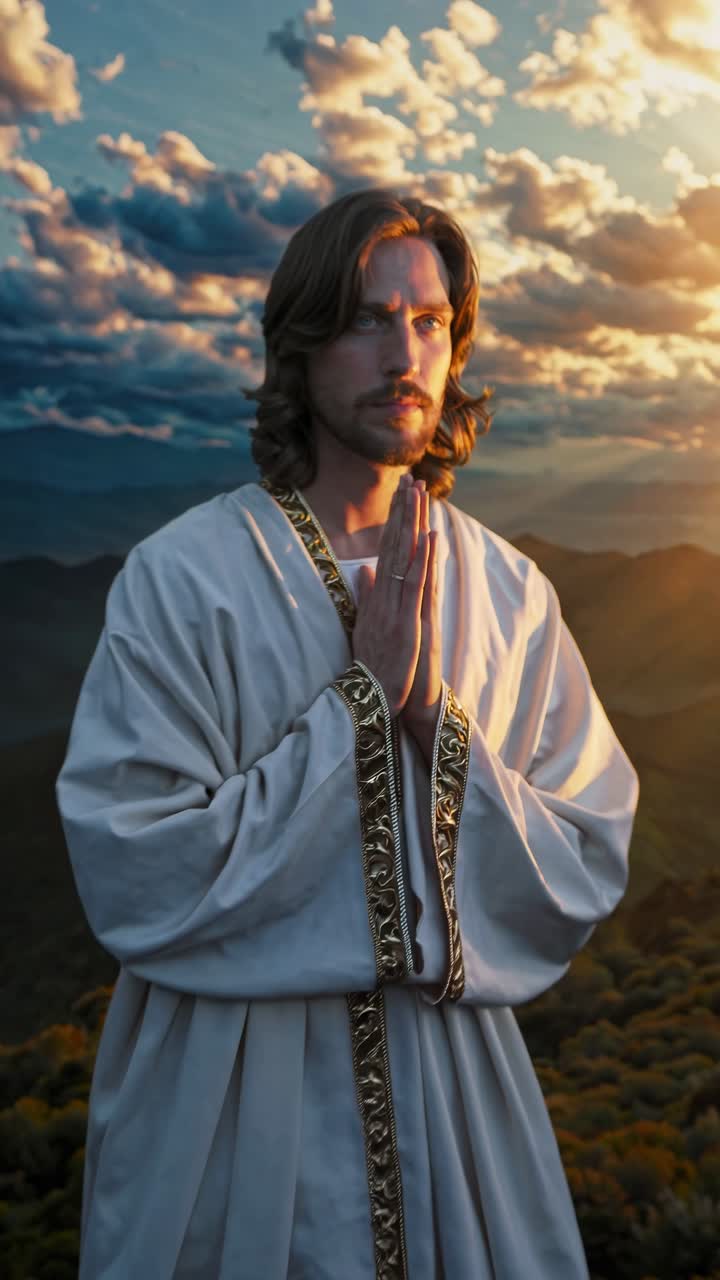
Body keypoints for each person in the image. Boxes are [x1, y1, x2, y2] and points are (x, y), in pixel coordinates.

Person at [56, 188, 639, 1280]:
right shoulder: (185, 580)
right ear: (304, 340)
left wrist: (431, 720)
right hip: (228, 1105)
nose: (405, 352)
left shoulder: (511, 594)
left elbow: (586, 844)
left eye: (430, 322)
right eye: (371, 317)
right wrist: (359, 707)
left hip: (458, 1105)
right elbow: (134, 864)